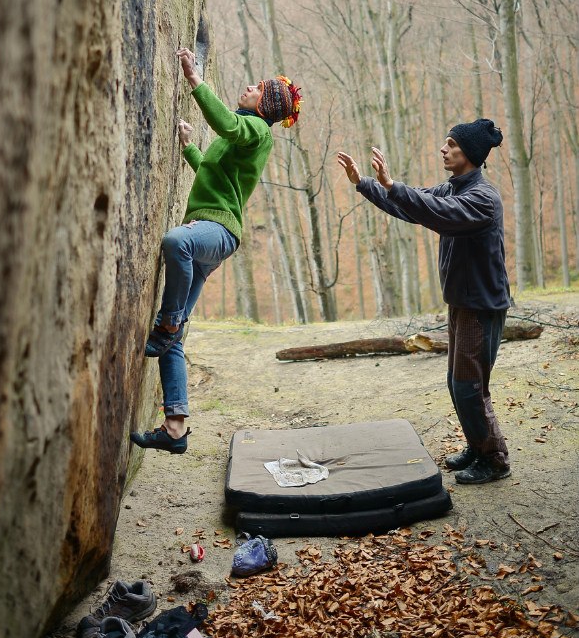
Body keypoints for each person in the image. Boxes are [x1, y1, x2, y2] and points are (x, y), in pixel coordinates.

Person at [130, 47, 302, 454]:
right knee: (174, 344)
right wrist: (190, 148)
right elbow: (213, 175)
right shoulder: (242, 136)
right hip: (213, 230)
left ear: (267, 105)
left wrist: (194, 80)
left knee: (176, 241)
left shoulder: (256, 130)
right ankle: (175, 427)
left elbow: (226, 124)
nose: (248, 87)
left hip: (220, 232)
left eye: (258, 88)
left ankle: (168, 321)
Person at [337, 119, 512, 485]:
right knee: (457, 382)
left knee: (470, 386)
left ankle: (494, 458)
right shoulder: (453, 188)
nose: (443, 149)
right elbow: (414, 205)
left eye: (451, 144)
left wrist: (391, 185)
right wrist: (363, 184)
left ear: (471, 154)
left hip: (481, 307)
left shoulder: (482, 197)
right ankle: (477, 446)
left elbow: (436, 213)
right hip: (463, 302)